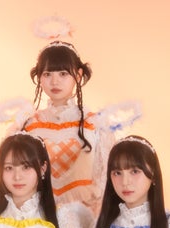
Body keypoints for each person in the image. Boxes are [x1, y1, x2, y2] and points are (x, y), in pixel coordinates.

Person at [18, 41, 121, 214]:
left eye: (63, 73)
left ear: (78, 75)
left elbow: (107, 178)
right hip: (38, 218)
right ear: (40, 77)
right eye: (47, 74)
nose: (55, 81)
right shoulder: (27, 126)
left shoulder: (96, 125)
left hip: (86, 216)